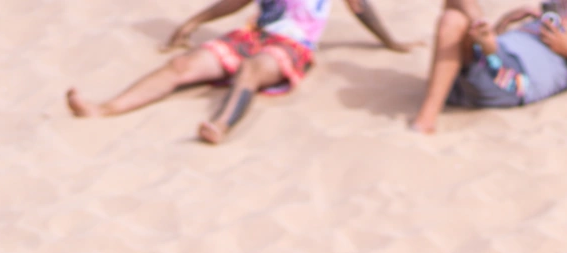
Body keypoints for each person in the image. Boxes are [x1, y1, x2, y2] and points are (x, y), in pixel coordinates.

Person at [66, 0, 413, 144]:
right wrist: (194, 22)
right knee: (181, 65)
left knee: (251, 70)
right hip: (252, 35)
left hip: (294, 46)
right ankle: (104, 108)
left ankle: (220, 125)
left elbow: (361, 8)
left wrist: (390, 42)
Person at [410, 0, 567, 133]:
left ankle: (426, 118)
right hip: (480, 67)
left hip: (514, 80)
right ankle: (485, 34)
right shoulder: (535, 21)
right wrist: (506, 21)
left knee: (460, 21)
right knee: (454, 14)